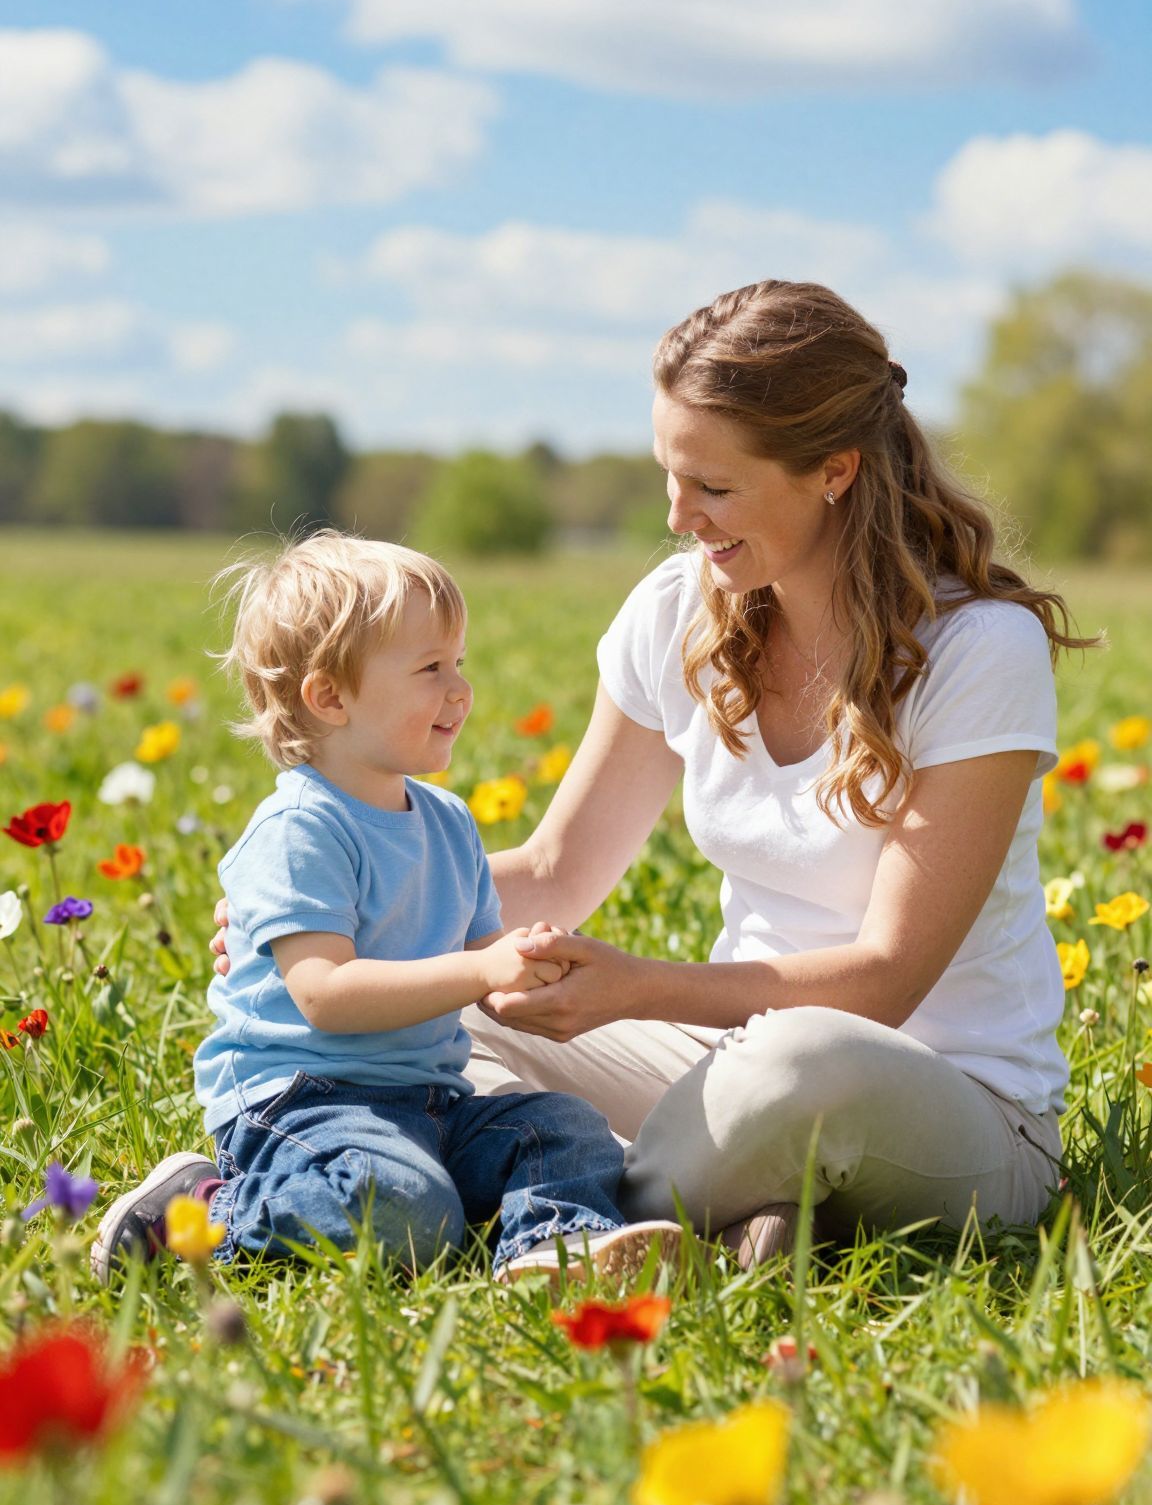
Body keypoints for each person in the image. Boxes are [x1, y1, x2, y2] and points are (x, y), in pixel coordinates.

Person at [162, 280, 1084, 1266]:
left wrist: (641, 985)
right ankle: (670, 1207)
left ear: (835, 468)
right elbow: (559, 869)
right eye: (668, 475)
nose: (680, 516)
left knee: (799, 1062)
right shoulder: (680, 611)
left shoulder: (980, 647)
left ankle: (568, 1196)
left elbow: (886, 977)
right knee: (459, 997)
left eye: (715, 486)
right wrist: (338, 913)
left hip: (939, 1094)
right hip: (721, 1057)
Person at [90, 532, 681, 1285]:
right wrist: (478, 968)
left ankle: (551, 1249)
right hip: (304, 1105)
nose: (460, 690)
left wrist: (528, 967)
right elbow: (326, 997)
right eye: (431, 669)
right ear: (329, 696)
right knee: (405, 1207)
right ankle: (201, 1211)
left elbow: (486, 967)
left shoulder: (448, 823)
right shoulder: (299, 828)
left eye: (458, 663)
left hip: (429, 1098)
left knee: (563, 1128)